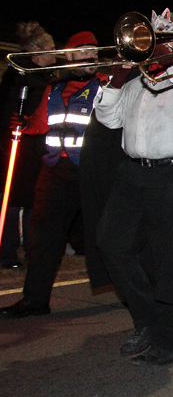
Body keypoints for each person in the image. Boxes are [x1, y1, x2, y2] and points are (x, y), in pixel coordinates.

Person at [94, 9, 173, 367]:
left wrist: (168, 62)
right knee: (111, 243)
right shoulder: (136, 76)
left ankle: (168, 342)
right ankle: (149, 318)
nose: (152, 40)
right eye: (151, 34)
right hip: (132, 172)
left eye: (163, 34)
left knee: (168, 260)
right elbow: (108, 119)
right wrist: (117, 79)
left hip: (171, 175)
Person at [1, 31, 106, 318]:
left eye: (95, 50)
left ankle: (143, 297)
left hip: (92, 174)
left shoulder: (106, 85)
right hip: (55, 173)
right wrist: (23, 124)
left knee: (109, 237)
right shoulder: (55, 88)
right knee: (42, 237)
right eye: (85, 51)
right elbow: (40, 124)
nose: (93, 55)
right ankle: (35, 300)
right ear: (69, 56)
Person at [0, 21, 57, 269]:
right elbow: (9, 111)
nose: (55, 53)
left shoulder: (42, 76)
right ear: (37, 54)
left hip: (36, 145)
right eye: (51, 49)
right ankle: (8, 252)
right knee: (16, 199)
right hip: (20, 145)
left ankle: (29, 250)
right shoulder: (21, 77)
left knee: (32, 199)